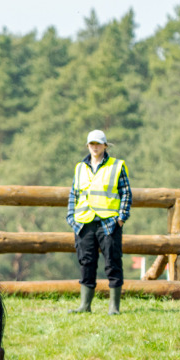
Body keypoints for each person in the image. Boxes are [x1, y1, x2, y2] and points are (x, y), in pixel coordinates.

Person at [66, 129, 132, 315]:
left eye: (98, 143)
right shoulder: (80, 167)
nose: (95, 147)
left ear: (105, 145)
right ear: (88, 146)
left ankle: (114, 307)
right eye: (92, 144)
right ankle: (85, 305)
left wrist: (121, 218)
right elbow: (74, 193)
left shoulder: (116, 165)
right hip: (83, 222)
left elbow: (126, 192)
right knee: (86, 262)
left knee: (113, 262)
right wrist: (71, 217)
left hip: (109, 222)